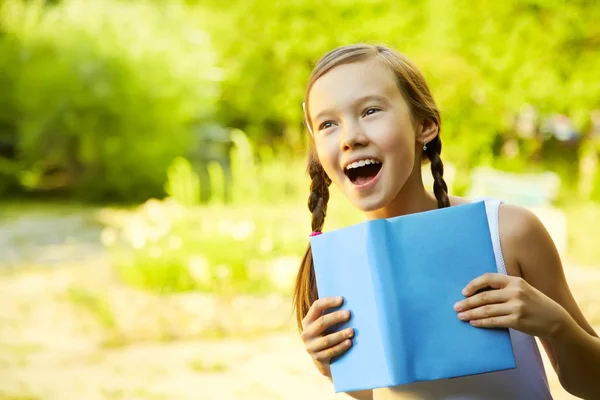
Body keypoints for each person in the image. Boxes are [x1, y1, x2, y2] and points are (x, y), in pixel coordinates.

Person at [292, 43, 600, 400]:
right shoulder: (336, 266)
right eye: (328, 123)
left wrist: (556, 325)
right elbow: (379, 393)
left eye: (371, 110)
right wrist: (330, 365)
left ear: (425, 125)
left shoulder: (508, 232)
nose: (350, 138)